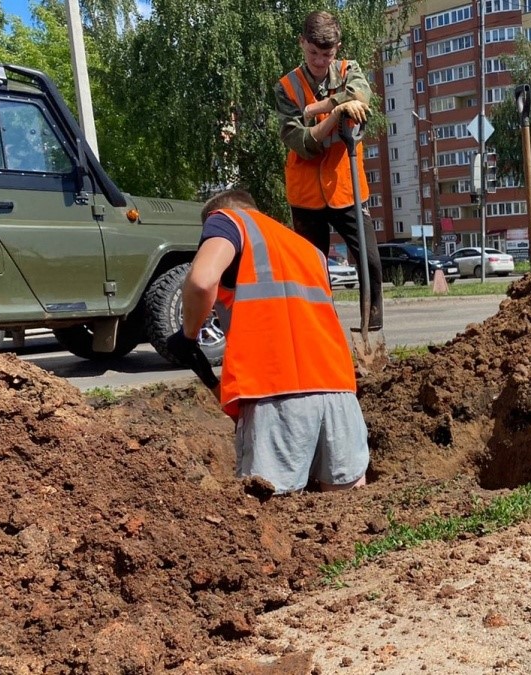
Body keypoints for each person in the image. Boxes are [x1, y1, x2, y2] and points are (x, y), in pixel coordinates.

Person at [167, 188, 369, 494]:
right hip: (339, 392)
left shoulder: (227, 220)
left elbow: (201, 280)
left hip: (276, 394)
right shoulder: (308, 250)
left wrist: (189, 335)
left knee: (268, 523)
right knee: (350, 515)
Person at [275, 10, 383, 331]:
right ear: (302, 43)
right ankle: (323, 332)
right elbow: (302, 141)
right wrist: (336, 116)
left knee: (371, 262)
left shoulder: (350, 69)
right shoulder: (286, 88)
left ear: (337, 49)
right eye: (314, 53)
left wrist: (322, 107)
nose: (320, 61)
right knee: (313, 270)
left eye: (327, 54)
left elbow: (362, 94)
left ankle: (371, 326)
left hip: (347, 187)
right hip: (306, 194)